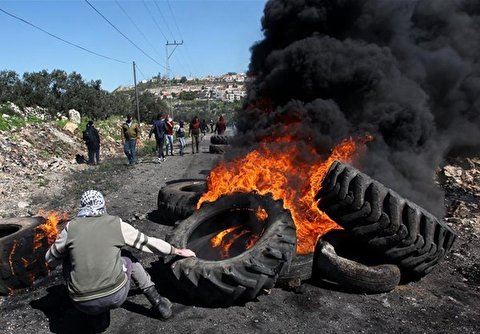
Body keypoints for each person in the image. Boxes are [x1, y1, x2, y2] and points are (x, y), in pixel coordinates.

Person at [45, 190, 196, 326]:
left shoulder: (71, 228)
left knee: (66, 259)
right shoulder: (116, 224)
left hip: (82, 303)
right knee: (127, 256)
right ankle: (159, 304)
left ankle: (92, 307)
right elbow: (147, 243)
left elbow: (50, 259)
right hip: (117, 296)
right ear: (103, 205)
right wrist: (176, 250)